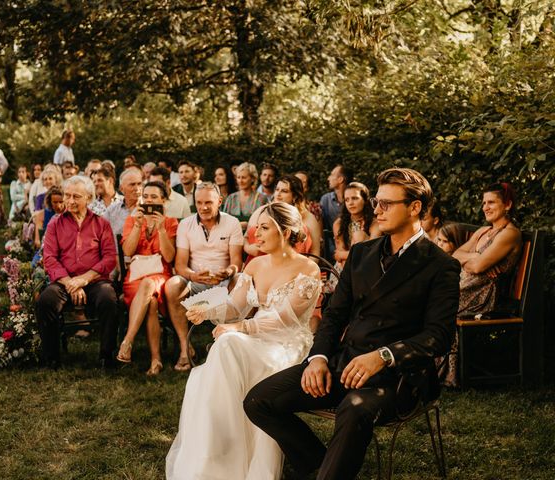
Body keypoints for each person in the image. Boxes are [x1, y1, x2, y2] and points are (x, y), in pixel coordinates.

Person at [244, 167, 461, 480]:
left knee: (355, 407)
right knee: (258, 400)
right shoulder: (361, 254)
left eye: (387, 203)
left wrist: (383, 356)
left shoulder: (440, 265)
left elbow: (438, 337)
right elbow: (334, 315)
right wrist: (317, 358)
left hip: (400, 378)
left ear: (415, 207)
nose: (378, 209)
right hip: (343, 364)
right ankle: (322, 466)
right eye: (377, 201)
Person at [166, 202, 321, 480]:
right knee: (227, 346)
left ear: (285, 231)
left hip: (287, 345)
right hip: (254, 341)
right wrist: (208, 310)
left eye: (263, 228)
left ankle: (225, 448)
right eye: (254, 228)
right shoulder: (256, 264)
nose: (255, 235)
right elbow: (234, 306)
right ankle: (221, 449)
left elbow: (285, 319)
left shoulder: (308, 269)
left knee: (227, 345)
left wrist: (239, 327)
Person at [440, 183, 522, 387]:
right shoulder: (484, 231)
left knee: (434, 305)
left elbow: (477, 268)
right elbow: (455, 255)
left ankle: (435, 370)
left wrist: (474, 260)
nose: (485, 206)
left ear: (508, 205)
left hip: (481, 295)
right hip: (465, 286)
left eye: (491, 202)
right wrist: (475, 255)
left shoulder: (510, 234)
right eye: (484, 202)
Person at [35, 175, 119, 369]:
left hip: (95, 280)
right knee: (46, 301)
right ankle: (51, 358)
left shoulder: (101, 224)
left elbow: (108, 258)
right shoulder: (55, 224)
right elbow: (50, 259)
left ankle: (107, 356)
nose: (70, 201)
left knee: (109, 299)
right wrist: (70, 283)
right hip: (64, 281)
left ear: (88, 198)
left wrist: (82, 280)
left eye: (76, 196)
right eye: (67, 196)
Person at [164, 182, 244, 371]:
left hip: (224, 283)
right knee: (172, 284)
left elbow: (236, 262)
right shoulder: (186, 224)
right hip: (195, 283)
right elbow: (180, 265)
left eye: (208, 202)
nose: (204, 207)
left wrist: (228, 272)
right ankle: (185, 349)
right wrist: (194, 276)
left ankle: (227, 346)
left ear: (220, 202)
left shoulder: (231, 223)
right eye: (199, 203)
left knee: (240, 279)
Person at [116, 182, 178, 375]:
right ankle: (155, 360)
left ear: (163, 200)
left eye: (154, 197)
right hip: (134, 278)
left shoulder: (171, 222)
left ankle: (128, 341)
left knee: (149, 284)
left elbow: (169, 257)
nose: (149, 200)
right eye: (146, 197)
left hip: (160, 276)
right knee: (150, 302)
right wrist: (137, 225)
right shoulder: (131, 220)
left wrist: (161, 230)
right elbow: (127, 251)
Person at [245, 175, 322, 261]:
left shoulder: (308, 218)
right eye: (277, 190)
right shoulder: (261, 211)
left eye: (284, 191)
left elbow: (315, 254)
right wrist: (248, 248)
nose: (278, 194)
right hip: (257, 263)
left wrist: (301, 268)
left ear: (295, 196)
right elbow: (245, 238)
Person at [332, 181, 381, 270]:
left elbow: (371, 253)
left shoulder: (375, 223)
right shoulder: (338, 223)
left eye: (354, 198)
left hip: (367, 267)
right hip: (343, 266)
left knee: (359, 235)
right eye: (347, 200)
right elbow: (339, 255)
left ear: (365, 200)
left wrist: (343, 255)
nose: (350, 203)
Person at [320, 165, 353, 263]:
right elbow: (323, 227)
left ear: (340, 179)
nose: (328, 178)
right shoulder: (325, 199)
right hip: (332, 245)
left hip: (353, 242)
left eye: (331, 175)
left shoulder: (354, 198)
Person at [222, 162, 268, 231]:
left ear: (252, 178)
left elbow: (266, 222)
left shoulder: (261, 198)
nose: (240, 181)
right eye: (238, 177)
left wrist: (248, 225)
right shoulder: (231, 198)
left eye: (244, 177)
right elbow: (223, 221)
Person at [104, 168, 143, 237]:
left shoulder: (150, 209)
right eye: (132, 184)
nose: (137, 188)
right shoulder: (111, 211)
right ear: (121, 189)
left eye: (139, 184)